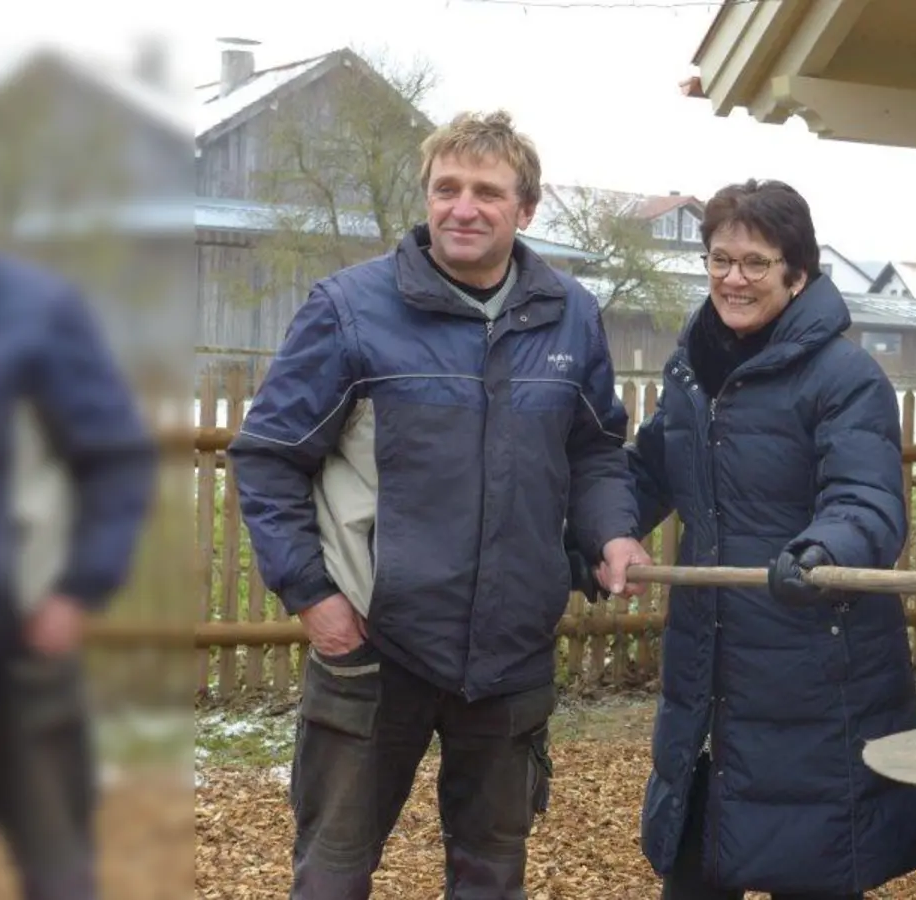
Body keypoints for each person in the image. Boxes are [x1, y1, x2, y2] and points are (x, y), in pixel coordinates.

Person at [228, 110, 651, 900]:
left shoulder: (570, 315)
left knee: (491, 871)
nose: (464, 207)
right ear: (425, 198)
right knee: (333, 869)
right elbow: (269, 456)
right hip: (374, 643)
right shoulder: (351, 308)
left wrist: (613, 532)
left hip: (511, 647)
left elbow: (594, 450)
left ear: (526, 209)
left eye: (487, 192)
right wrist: (313, 596)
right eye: (446, 188)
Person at [614, 179, 916, 899]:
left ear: (798, 274)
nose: (734, 278)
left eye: (756, 262)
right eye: (720, 259)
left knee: (811, 865)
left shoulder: (845, 377)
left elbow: (867, 502)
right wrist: (605, 529)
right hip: (710, 672)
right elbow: (651, 470)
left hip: (816, 674)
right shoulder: (693, 370)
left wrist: (820, 553)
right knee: (697, 863)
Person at [0, 252, 159, 900]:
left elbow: (115, 457)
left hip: (16, 646)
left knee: (56, 862)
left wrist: (76, 588)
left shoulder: (36, 310)